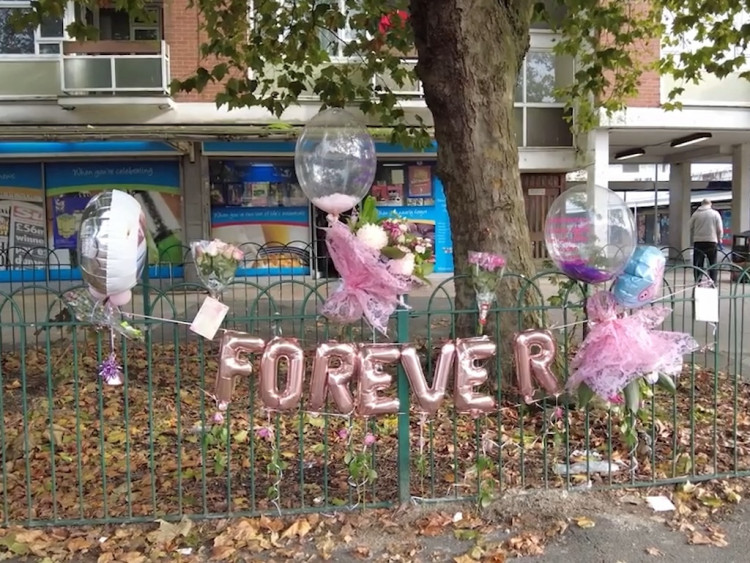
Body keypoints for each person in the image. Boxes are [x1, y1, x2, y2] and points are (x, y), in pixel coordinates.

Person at [689, 199, 724, 283]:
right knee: (713, 263)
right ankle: (712, 281)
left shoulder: (696, 214)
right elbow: (719, 229)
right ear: (710, 204)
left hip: (698, 241)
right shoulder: (715, 214)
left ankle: (698, 281)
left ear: (701, 204)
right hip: (711, 241)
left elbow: (690, 226)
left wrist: (694, 235)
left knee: (698, 263)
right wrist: (720, 239)